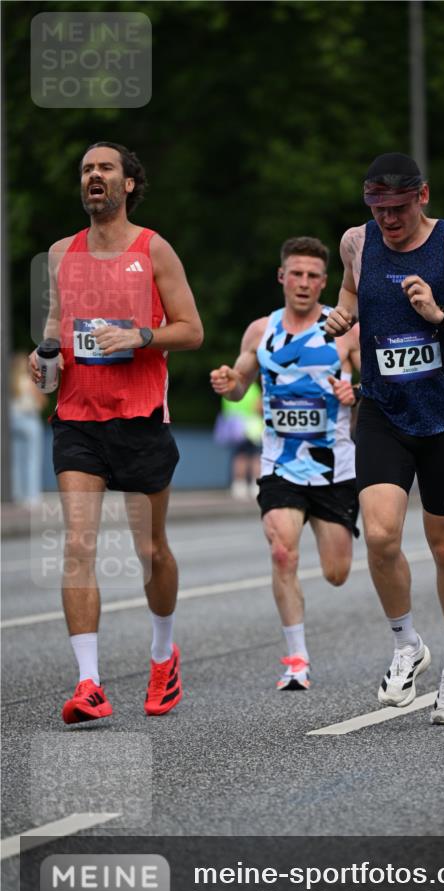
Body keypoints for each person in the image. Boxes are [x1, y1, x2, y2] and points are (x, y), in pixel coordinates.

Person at [324, 152, 444, 725]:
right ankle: (407, 644)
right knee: (380, 536)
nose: (388, 220)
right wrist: (341, 316)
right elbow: (352, 294)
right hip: (383, 409)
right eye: (377, 209)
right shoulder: (356, 242)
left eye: (398, 208)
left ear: (422, 197)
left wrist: (440, 314)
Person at [29, 141, 204, 724]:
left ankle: (162, 654)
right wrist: (43, 359)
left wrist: (141, 337)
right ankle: (89, 684)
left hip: (140, 417)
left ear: (128, 184)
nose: (93, 176)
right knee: (78, 545)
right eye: (85, 169)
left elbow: (193, 331)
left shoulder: (153, 249)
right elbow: (57, 327)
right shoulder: (60, 254)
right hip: (78, 419)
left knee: (150, 552)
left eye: (104, 168)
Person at [210, 237, 360, 691]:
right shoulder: (261, 331)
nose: (304, 283)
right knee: (282, 551)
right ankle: (296, 659)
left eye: (313, 275)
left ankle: (329, 537)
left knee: (336, 574)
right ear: (282, 277)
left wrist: (356, 394)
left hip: (335, 467)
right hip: (279, 463)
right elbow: (240, 385)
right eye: (296, 273)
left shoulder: (346, 330)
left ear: (324, 282)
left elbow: (374, 388)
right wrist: (229, 382)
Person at [10, 352, 47, 506]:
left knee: (16, 460)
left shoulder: (10, 382)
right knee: (32, 459)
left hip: (12, 421)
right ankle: (31, 497)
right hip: (29, 420)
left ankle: (17, 494)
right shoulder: (29, 381)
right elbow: (42, 401)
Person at [214, 383, 263, 499]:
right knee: (255, 457)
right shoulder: (252, 388)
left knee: (239, 457)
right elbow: (258, 408)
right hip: (253, 427)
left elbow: (226, 409)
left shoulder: (228, 389)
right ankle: (254, 485)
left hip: (236, 428)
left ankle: (238, 486)